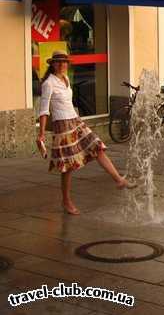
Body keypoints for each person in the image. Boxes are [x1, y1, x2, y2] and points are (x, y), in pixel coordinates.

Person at [37, 51, 134, 215]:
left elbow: (68, 102)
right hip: (62, 125)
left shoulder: (66, 79)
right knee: (67, 166)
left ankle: (119, 180)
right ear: (52, 64)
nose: (62, 64)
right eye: (58, 62)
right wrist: (40, 134)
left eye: (64, 62)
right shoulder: (49, 83)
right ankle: (66, 201)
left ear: (68, 63)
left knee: (97, 147)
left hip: (75, 121)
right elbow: (44, 110)